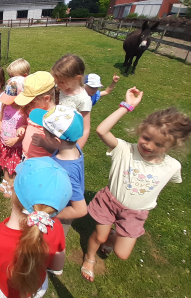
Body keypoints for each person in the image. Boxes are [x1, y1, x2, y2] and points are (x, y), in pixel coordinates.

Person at [81, 87, 191, 282]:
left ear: (172, 146)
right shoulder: (125, 150)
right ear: (141, 130)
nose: (148, 146)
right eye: (146, 138)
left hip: (135, 213)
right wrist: (127, 106)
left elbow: (166, 183)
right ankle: (89, 258)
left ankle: (113, 235)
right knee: (99, 237)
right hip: (109, 201)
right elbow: (101, 130)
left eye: (158, 144)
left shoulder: (173, 166)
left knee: (122, 254)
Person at [0, 157, 72, 298]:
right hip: (37, 289)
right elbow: (57, 266)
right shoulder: (55, 227)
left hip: (4, 293)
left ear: (12, 188)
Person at [30, 105, 87, 237]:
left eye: (45, 133)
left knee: (49, 243)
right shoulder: (72, 146)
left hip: (60, 212)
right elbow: (57, 150)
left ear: (56, 140)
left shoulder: (67, 170)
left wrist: (48, 214)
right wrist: (45, 144)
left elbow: (81, 210)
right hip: (56, 199)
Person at [0, 77, 26, 197]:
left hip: (15, 146)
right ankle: (6, 180)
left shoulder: (24, 110)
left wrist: (16, 139)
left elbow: (26, 128)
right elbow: (0, 119)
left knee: (14, 167)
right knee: (5, 165)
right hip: (3, 142)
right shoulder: (5, 105)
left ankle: (13, 184)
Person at [51, 54, 92, 149]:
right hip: (51, 136)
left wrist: (76, 151)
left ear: (77, 78)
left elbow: (85, 129)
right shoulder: (59, 88)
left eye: (61, 81)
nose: (57, 84)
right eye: (56, 81)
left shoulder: (83, 100)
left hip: (66, 142)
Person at [14, 71, 56, 160]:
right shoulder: (35, 110)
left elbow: (60, 150)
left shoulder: (54, 119)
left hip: (41, 162)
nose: (28, 104)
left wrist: (44, 144)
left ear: (46, 99)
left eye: (32, 101)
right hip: (26, 157)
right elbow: (33, 126)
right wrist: (24, 127)